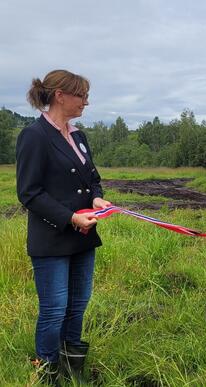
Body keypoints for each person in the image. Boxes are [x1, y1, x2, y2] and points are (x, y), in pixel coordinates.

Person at [16, 69, 110, 383]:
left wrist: (97, 199)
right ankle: (47, 370)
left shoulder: (79, 136)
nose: (86, 101)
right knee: (55, 308)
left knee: (78, 304)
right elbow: (29, 192)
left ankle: (72, 369)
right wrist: (70, 217)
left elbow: (93, 180)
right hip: (52, 238)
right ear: (60, 96)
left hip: (84, 236)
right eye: (81, 95)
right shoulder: (34, 135)